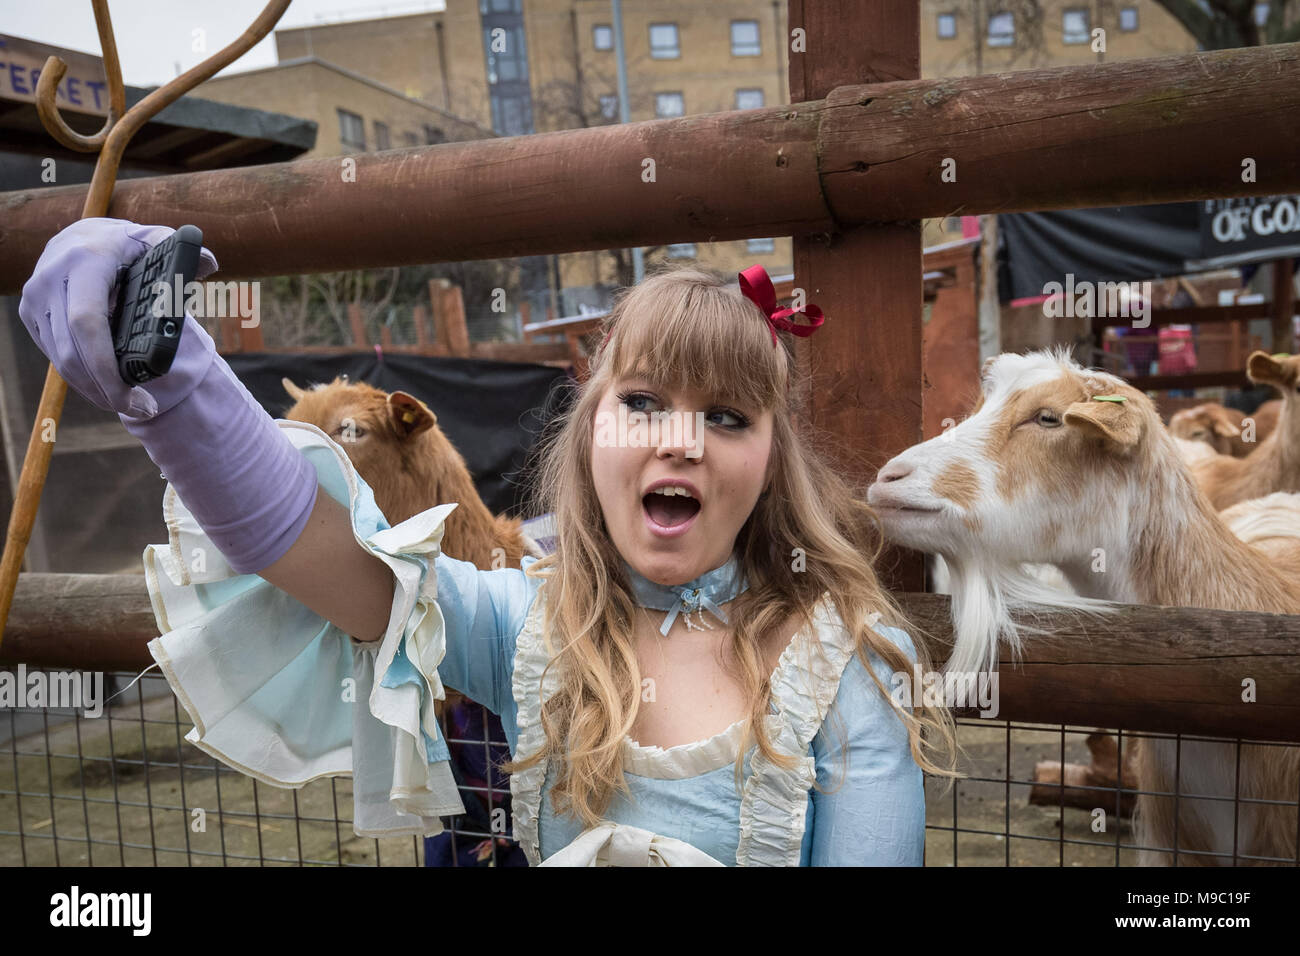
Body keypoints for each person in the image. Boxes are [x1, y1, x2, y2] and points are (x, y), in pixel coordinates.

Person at [19, 218, 959, 866]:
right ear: (592, 437)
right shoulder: (530, 626)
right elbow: (312, 546)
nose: (680, 440)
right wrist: (176, 381)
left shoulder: (853, 663)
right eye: (641, 403)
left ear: (769, 459)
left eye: (726, 415)